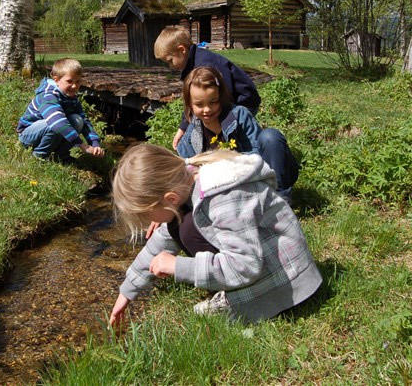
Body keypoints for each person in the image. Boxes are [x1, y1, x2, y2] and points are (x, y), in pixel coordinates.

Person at [108, 144, 322, 326]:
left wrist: (177, 266)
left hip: (288, 281)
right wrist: (127, 291)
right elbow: (159, 243)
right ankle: (233, 291)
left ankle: (241, 298)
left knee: (186, 228)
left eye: (146, 216)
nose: (148, 224)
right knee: (179, 226)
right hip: (265, 264)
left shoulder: (223, 198)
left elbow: (246, 266)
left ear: (170, 198)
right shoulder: (189, 180)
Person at [176, 66, 299, 201]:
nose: (207, 109)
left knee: (270, 137)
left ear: (221, 97)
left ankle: (281, 197)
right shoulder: (194, 130)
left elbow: (258, 157)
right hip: (230, 186)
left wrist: (225, 159)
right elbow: (184, 163)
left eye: (213, 102)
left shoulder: (239, 115)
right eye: (199, 105)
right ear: (190, 105)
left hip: (258, 175)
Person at [154, 26, 260, 150]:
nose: (170, 66)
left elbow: (225, 95)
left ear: (181, 50)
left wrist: (217, 126)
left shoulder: (206, 66)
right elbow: (192, 102)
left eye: (170, 61)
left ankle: (239, 152)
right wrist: (183, 128)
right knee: (201, 122)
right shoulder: (193, 65)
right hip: (219, 102)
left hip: (241, 102)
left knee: (231, 132)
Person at [16, 58, 105, 162]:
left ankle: (60, 155)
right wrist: (82, 145)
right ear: (56, 79)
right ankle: (40, 155)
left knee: (78, 120)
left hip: (51, 130)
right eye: (69, 81)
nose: (74, 86)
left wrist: (94, 143)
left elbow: (85, 122)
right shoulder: (48, 95)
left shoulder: (72, 98)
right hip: (29, 135)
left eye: (78, 81)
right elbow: (57, 123)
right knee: (54, 124)